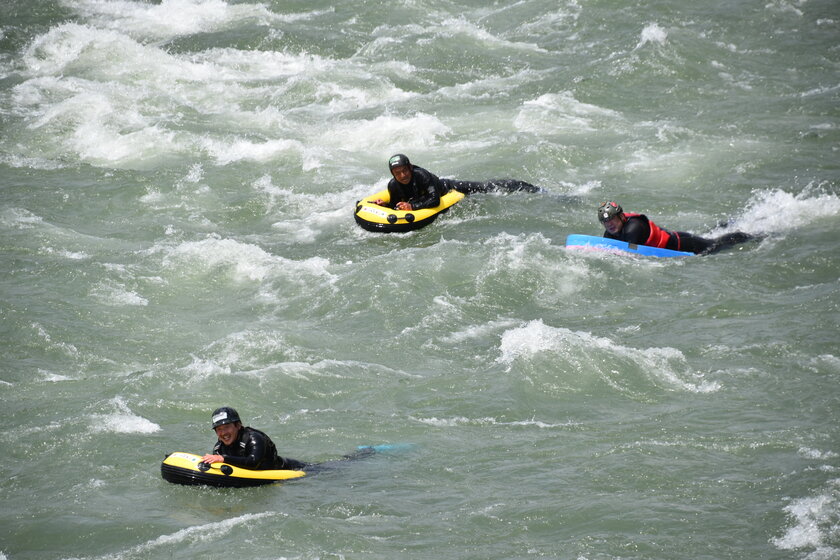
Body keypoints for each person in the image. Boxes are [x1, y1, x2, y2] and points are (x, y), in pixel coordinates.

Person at [375, 153, 541, 211]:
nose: (403, 175)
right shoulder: (393, 186)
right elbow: (397, 207)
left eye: (405, 170)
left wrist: (412, 207)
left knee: (487, 187)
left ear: (410, 167)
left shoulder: (422, 176)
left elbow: (434, 200)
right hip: (422, 201)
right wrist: (386, 207)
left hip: (449, 188)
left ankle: (525, 187)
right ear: (393, 174)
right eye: (398, 173)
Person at [597, 201, 759, 255]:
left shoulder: (633, 228)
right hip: (676, 237)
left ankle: (754, 235)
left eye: (612, 219)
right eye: (605, 222)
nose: (609, 224)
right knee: (710, 236)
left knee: (717, 244)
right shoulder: (610, 232)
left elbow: (631, 250)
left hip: (685, 244)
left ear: (621, 217)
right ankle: (726, 225)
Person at [201, 406, 307, 470]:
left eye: (227, 427)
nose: (223, 433)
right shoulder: (219, 448)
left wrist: (224, 459)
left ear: (238, 425)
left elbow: (253, 462)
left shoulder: (253, 438)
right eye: (218, 429)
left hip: (293, 469)